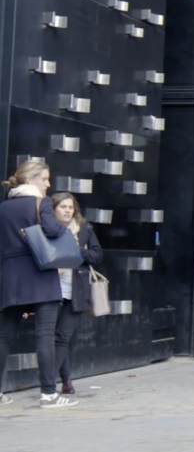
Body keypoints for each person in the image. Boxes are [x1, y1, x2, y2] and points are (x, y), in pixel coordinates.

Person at [0, 160, 78, 408]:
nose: (48, 184)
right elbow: (53, 231)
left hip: (10, 275)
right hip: (40, 272)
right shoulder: (41, 203)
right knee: (45, 335)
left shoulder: (3, 208)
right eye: (44, 179)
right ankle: (48, 394)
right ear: (30, 179)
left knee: (3, 336)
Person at [49, 192, 103, 395]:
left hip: (76, 290)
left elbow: (97, 256)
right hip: (51, 289)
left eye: (70, 207)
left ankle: (49, 385)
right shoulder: (47, 230)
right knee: (53, 337)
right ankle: (66, 380)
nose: (67, 211)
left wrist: (76, 249)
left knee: (62, 337)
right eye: (63, 207)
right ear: (53, 209)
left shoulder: (84, 229)